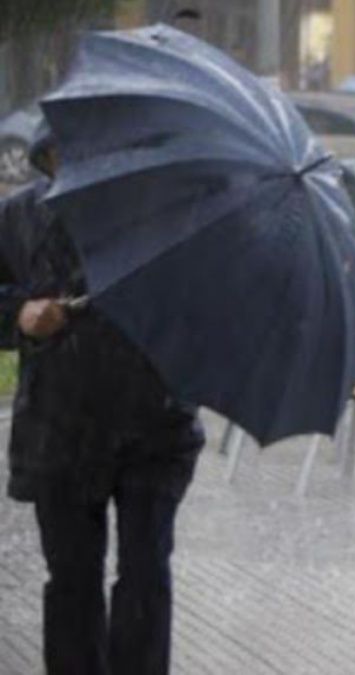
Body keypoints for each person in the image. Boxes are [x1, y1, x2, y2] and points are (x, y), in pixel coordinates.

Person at [0, 126, 204, 674]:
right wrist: (20, 314)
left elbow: (207, 312)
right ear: (47, 156)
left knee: (144, 575)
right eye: (62, 154)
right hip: (58, 430)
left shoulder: (166, 216)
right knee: (72, 581)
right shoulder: (19, 218)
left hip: (155, 427)